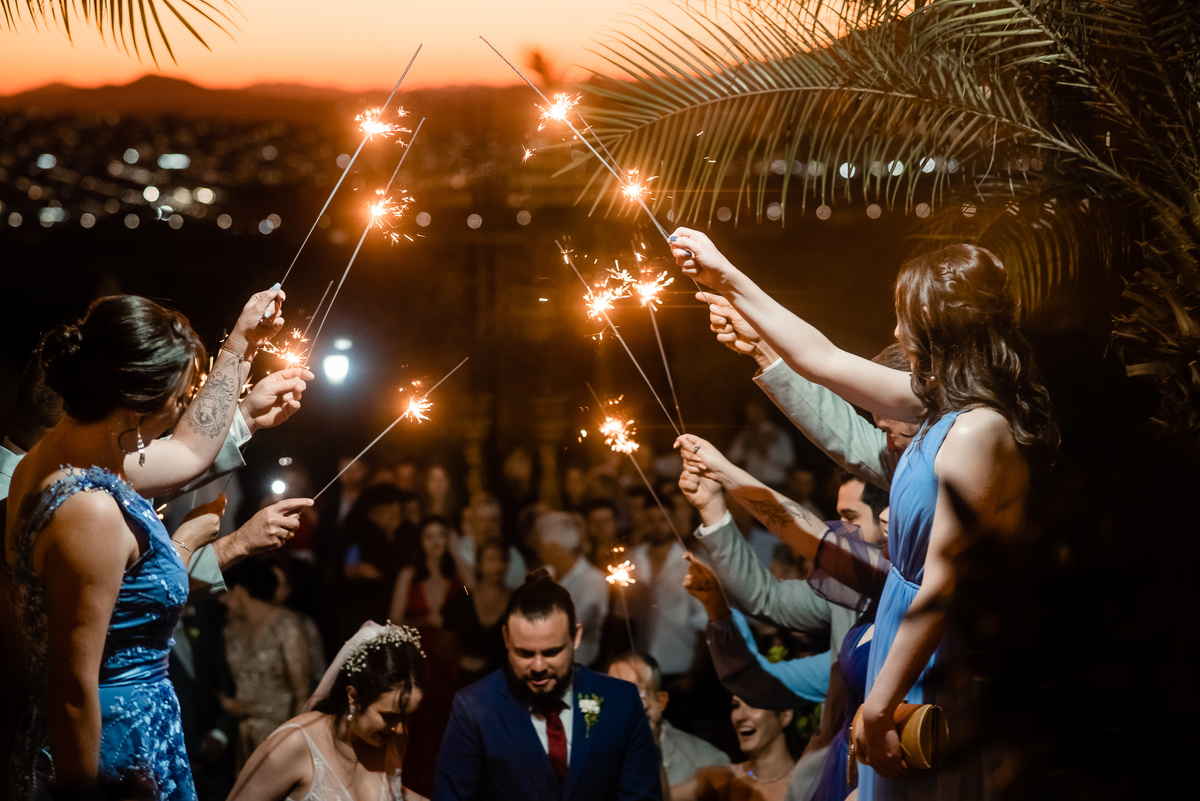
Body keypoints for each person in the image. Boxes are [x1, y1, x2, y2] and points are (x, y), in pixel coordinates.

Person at [671, 231, 1056, 800]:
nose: (896, 333)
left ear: (941, 327)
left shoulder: (978, 430)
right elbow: (821, 358)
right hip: (901, 641)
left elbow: (942, 585)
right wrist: (724, 275)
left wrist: (877, 707)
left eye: (905, 318)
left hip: (931, 655)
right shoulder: (936, 407)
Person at [4, 288, 284, 799]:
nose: (179, 412)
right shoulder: (87, 508)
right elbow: (73, 689)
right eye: (177, 401)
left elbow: (190, 450)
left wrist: (241, 345)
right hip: (110, 751)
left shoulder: (63, 456)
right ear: (135, 410)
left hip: (130, 729)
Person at [431, 569, 662, 801]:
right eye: (525, 653)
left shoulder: (621, 701)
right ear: (506, 638)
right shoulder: (475, 709)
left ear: (575, 636)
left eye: (552, 652)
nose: (538, 667)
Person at [227, 621, 428, 801]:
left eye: (407, 718)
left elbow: (390, 793)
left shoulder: (390, 739)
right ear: (353, 697)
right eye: (389, 716)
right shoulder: (294, 744)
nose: (399, 729)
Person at [221, 558, 313, 769]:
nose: (222, 600)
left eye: (226, 592)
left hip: (278, 734)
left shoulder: (286, 626)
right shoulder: (231, 628)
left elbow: (302, 692)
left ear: (240, 591)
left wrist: (291, 741)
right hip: (241, 735)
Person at [608, 652, 729, 787]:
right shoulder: (595, 757)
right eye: (615, 695)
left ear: (661, 701)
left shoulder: (706, 761)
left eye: (639, 694)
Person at [669, 696, 797, 801]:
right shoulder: (721, 780)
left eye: (753, 704)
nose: (740, 717)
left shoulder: (805, 784)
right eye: (736, 705)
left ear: (785, 716)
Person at [531, 511, 609, 667]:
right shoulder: (542, 575)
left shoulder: (593, 580)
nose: (538, 550)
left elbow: (574, 625)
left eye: (541, 545)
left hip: (580, 666)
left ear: (554, 547)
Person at [442, 538, 511, 686]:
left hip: (506, 684)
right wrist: (460, 660)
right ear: (479, 564)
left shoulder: (517, 601)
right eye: (491, 559)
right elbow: (444, 646)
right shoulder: (462, 601)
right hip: (469, 685)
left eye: (502, 559)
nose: (498, 565)